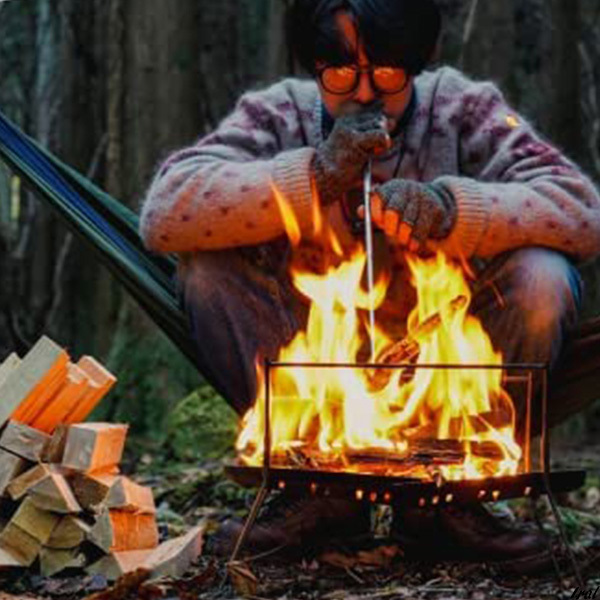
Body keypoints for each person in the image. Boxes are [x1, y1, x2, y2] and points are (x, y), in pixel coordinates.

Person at [140, 0, 600, 571]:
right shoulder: (278, 114)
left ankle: (448, 502)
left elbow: (581, 210)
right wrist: (311, 177)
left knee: (542, 277)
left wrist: (456, 209)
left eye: (385, 73)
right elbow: (165, 213)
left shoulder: (461, 109)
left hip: (445, 373)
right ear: (312, 65)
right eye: (339, 73)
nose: (363, 94)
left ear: (419, 61)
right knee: (206, 275)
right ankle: (318, 491)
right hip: (313, 371)